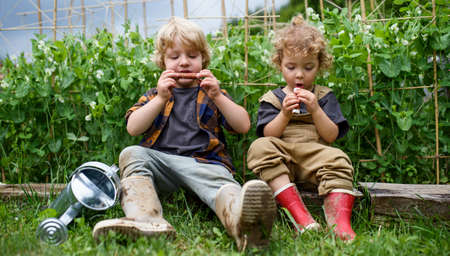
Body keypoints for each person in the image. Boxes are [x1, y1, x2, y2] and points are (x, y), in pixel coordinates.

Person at [92, 17, 276, 251]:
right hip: (164, 168)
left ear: (203, 59)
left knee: (224, 188)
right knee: (132, 153)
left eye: (192, 56)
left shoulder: (212, 93)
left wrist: (218, 95)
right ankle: (145, 219)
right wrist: (160, 98)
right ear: (162, 61)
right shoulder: (155, 95)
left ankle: (243, 225)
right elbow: (133, 128)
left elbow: (243, 126)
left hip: (206, 166)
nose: (184, 63)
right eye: (174, 56)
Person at [247, 14, 357, 241]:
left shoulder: (323, 96)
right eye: (291, 67)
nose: (299, 74)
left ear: (319, 66)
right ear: (280, 65)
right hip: (282, 156)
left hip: (315, 156)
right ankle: (301, 218)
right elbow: (269, 134)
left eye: (308, 67)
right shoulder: (272, 99)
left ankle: (340, 224)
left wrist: (316, 109)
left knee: (339, 159)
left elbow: (331, 135)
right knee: (259, 147)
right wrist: (284, 114)